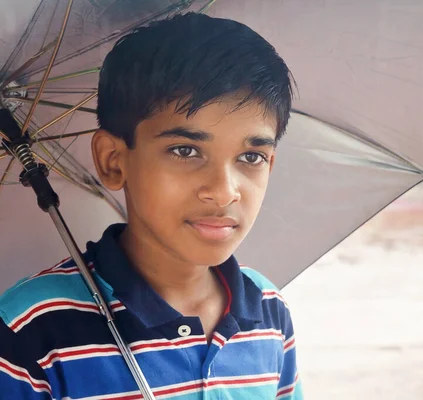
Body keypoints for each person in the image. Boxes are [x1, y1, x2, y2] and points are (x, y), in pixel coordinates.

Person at [0, 12, 302, 400]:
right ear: (113, 160)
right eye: (185, 150)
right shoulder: (30, 330)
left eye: (251, 157)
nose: (224, 191)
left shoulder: (268, 309)